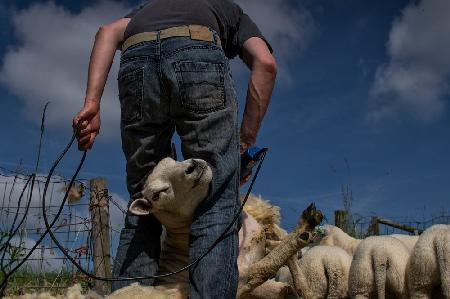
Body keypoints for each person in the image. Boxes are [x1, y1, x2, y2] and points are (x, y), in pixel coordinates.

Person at [73, 0, 276, 297]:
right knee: (216, 200)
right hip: (200, 55)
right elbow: (266, 63)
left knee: (144, 198)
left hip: (136, 63)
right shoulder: (226, 9)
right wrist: (244, 140)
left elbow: (106, 31)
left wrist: (92, 102)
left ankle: (129, 294)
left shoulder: (147, 8)